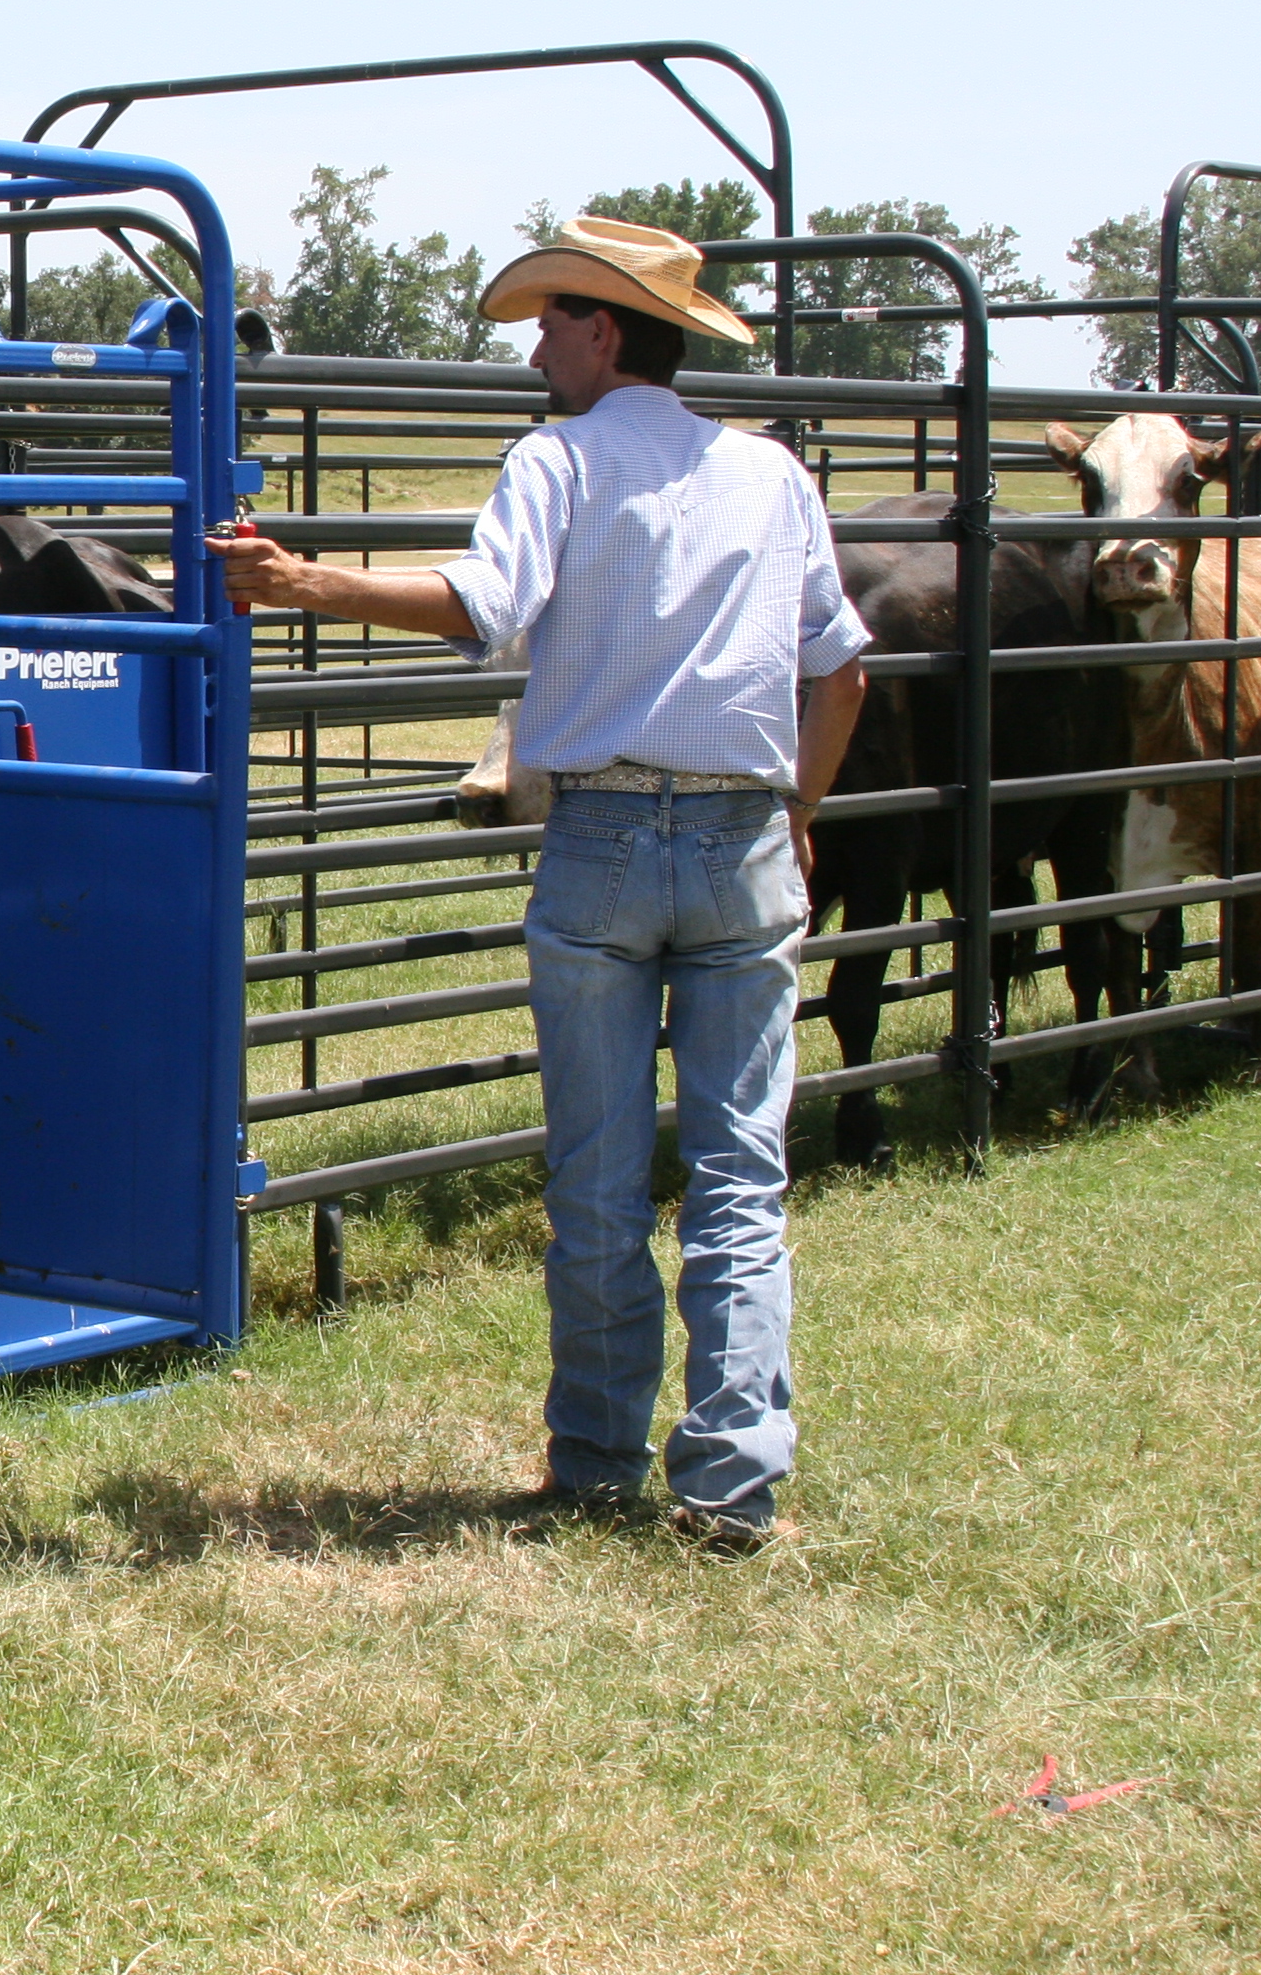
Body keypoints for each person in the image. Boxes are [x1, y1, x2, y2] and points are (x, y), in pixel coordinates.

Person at [217, 217, 870, 1552]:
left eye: (552, 320)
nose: (534, 345)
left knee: (597, 1171)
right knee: (742, 1172)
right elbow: (840, 669)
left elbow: (481, 606)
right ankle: (734, 1479)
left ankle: (594, 1454)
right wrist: (799, 810)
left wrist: (301, 580)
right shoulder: (770, 475)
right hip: (745, 840)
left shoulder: (560, 459)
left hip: (604, 842)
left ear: (606, 330)